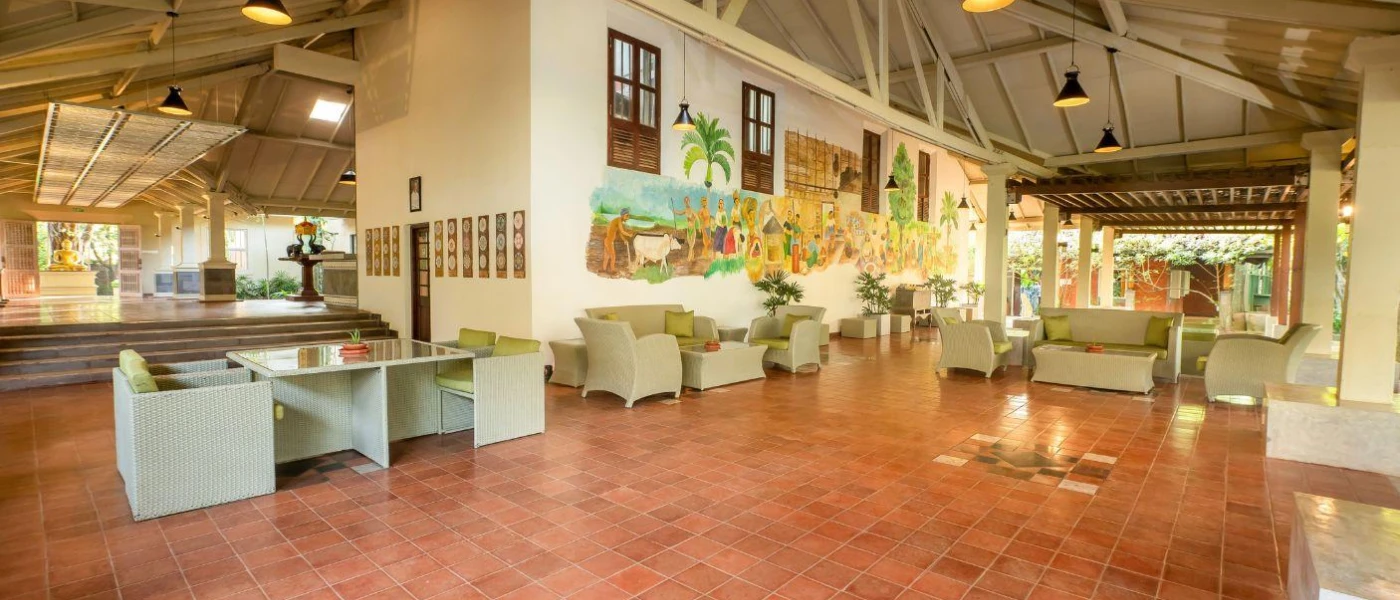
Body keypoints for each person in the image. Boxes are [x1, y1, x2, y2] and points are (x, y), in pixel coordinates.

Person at [602, 208, 636, 274]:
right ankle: (612, 271)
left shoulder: (617, 221)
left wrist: (624, 240)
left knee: (606, 257)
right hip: (609, 241)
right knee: (613, 257)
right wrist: (629, 235)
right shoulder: (618, 220)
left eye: (628, 216)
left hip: (607, 241)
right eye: (627, 216)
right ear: (622, 215)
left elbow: (620, 233)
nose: (628, 218)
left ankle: (603, 269)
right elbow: (622, 231)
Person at [672, 196, 699, 262]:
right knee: (690, 244)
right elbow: (679, 213)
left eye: (687, 201)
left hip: (693, 229)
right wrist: (675, 211)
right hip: (688, 229)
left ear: (689, 201)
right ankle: (692, 257)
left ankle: (688, 259)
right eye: (685, 201)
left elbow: (697, 218)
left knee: (691, 245)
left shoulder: (692, 210)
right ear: (684, 202)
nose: (686, 202)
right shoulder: (685, 210)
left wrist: (699, 227)